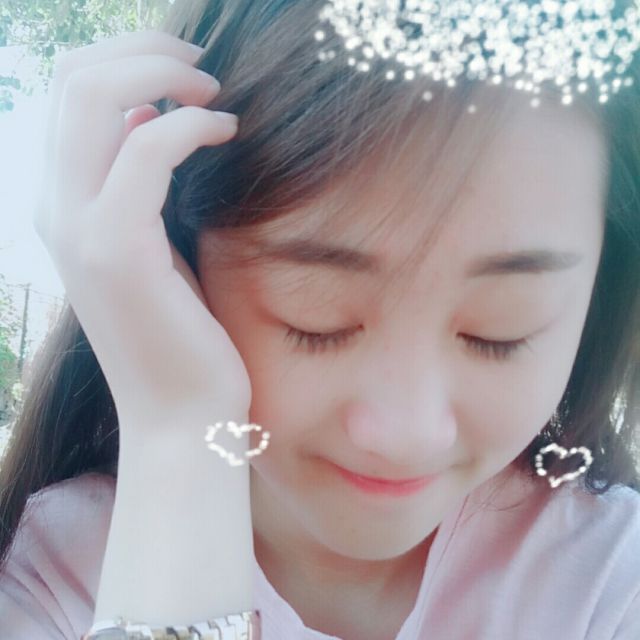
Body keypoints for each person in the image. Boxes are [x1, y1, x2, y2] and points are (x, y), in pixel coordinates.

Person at [1, 0, 640, 638]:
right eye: (315, 317)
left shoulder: (609, 579)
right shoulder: (60, 572)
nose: (405, 434)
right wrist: (181, 432)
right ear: (179, 260)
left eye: (500, 330)